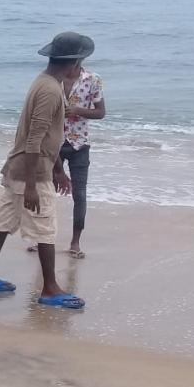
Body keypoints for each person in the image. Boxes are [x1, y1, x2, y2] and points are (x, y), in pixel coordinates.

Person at [0, 32, 90, 309]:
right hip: (32, 173)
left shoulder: (44, 81)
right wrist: (30, 186)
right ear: (72, 62)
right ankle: (50, 289)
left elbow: (49, 136)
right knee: (45, 230)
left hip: (20, 168)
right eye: (81, 61)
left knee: (4, 224)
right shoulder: (51, 91)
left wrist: (59, 169)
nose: (81, 67)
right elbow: (34, 139)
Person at [61, 58, 105, 258]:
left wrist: (77, 110)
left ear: (79, 59)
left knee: (79, 196)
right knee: (44, 192)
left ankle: (75, 242)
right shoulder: (53, 79)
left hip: (80, 144)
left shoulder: (93, 79)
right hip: (54, 142)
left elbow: (101, 112)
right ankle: (41, 238)